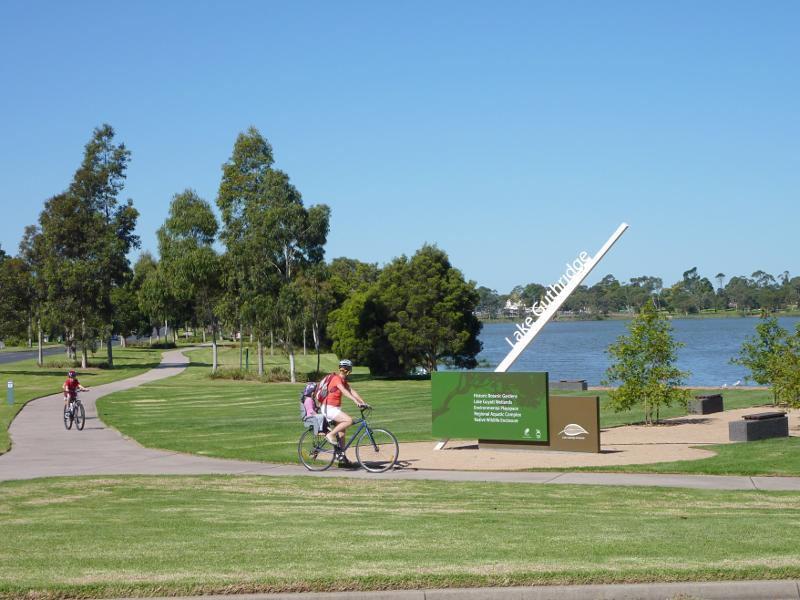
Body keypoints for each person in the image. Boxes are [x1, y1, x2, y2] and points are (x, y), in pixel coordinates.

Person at [320, 359, 368, 463]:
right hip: (328, 408)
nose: (350, 371)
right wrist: (356, 402)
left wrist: (363, 402)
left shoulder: (343, 380)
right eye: (350, 369)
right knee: (348, 421)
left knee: (342, 431)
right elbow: (344, 391)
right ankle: (330, 434)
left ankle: (342, 456)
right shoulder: (337, 379)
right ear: (347, 370)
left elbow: (351, 391)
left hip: (334, 408)